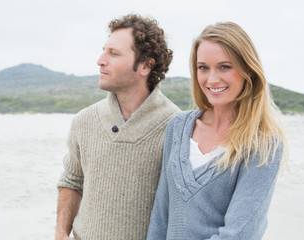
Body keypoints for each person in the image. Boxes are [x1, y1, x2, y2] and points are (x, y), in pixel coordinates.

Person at [146, 22, 287, 240]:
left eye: (224, 67)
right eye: (203, 67)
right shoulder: (178, 127)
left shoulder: (263, 142)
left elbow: (240, 233)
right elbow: (160, 216)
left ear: (247, 69)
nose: (212, 79)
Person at [55, 14, 180, 240]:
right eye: (104, 50)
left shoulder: (176, 127)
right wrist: (61, 233)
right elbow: (72, 182)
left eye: (113, 53)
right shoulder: (84, 121)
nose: (100, 60)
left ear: (145, 66)